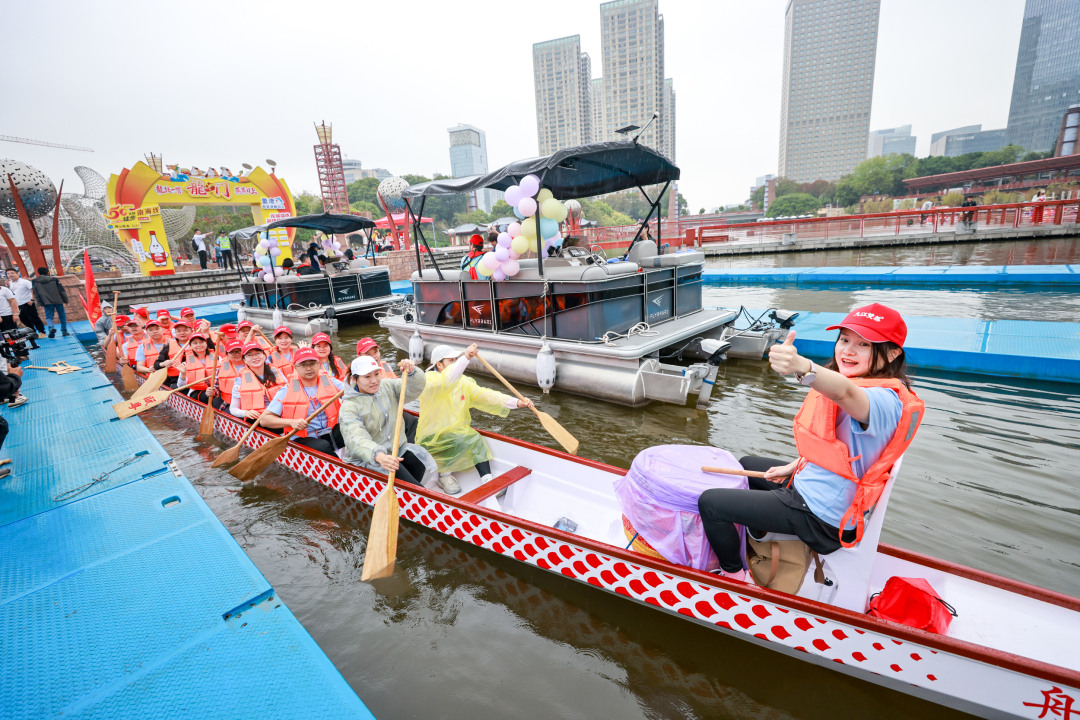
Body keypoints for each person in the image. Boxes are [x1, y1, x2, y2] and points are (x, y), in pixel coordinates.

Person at [697, 303, 924, 582]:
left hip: (822, 516)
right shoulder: (867, 381)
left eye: (864, 344)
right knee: (747, 465)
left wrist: (803, 366)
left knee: (710, 503)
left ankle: (732, 573)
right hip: (820, 488)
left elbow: (844, 393)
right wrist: (793, 467)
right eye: (844, 340)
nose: (848, 351)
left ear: (892, 353)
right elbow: (836, 448)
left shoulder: (882, 401)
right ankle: (753, 538)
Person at [415, 343, 534, 494]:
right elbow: (446, 381)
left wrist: (516, 402)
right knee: (461, 439)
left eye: (455, 360)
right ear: (438, 364)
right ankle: (444, 475)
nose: (454, 363)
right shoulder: (428, 381)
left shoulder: (463, 382)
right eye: (450, 361)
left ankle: (488, 481)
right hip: (432, 437)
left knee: (475, 439)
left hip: (456, 432)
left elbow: (486, 396)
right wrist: (466, 357)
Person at [339, 355, 435, 486]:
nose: (374, 380)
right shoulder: (349, 406)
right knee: (409, 482)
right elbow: (356, 438)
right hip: (369, 458)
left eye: (376, 374)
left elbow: (413, 389)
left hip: (395, 450)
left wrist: (412, 373)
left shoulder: (387, 386)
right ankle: (412, 491)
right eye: (367, 377)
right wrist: (379, 456)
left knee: (417, 459)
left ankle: (404, 492)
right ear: (354, 379)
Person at [260, 348, 346, 454]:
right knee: (323, 446)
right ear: (295, 367)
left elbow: (353, 391)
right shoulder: (286, 390)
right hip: (304, 437)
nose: (309, 368)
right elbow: (264, 420)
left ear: (319, 364)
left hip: (331, 430)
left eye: (312, 363)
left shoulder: (332, 382)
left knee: (352, 430)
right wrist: (291, 422)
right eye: (303, 365)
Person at [356, 337, 419, 443]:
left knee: (412, 421)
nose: (374, 356)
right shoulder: (357, 375)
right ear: (359, 357)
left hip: (389, 410)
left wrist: (410, 374)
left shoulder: (385, 366)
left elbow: (400, 388)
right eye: (368, 354)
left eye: (375, 352)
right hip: (372, 416)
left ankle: (409, 450)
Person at [227, 343, 286, 421]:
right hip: (257, 419)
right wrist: (246, 413)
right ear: (244, 360)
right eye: (249, 355)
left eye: (258, 353)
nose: (255, 357)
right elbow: (233, 409)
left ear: (264, 356)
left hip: (281, 415)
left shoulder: (276, 371)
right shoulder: (239, 381)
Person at [151, 319, 194, 387]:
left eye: (185, 330)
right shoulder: (168, 347)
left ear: (192, 331)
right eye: (178, 331)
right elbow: (156, 365)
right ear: (175, 333)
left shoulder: (199, 345)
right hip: (175, 380)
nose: (182, 333)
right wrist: (164, 363)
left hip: (195, 378)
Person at [176, 332, 216, 402]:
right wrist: (183, 373)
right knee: (208, 396)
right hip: (197, 391)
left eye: (201, 342)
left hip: (216, 390)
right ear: (190, 346)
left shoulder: (217, 358)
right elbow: (180, 386)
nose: (199, 345)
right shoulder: (186, 363)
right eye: (195, 343)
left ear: (206, 343)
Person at [207, 339, 246, 410]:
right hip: (229, 402)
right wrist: (212, 392)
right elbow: (217, 390)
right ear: (227, 354)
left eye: (239, 351)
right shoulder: (220, 370)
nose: (237, 354)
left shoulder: (253, 366)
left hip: (248, 403)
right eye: (232, 352)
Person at [32, 266, 68, 337]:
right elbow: (61, 291)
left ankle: (51, 328)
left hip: (46, 301)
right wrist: (65, 300)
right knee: (62, 316)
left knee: (48, 317)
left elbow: (36, 293)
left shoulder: (35, 281)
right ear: (48, 272)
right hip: (58, 300)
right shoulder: (54, 279)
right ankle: (64, 331)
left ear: (38, 273)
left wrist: (40, 303)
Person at [6, 268, 44, 335]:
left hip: (28, 303)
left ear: (17, 273)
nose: (10, 275)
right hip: (18, 305)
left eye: (12, 273)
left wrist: (32, 299)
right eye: (8, 274)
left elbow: (33, 290)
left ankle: (42, 332)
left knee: (34, 318)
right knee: (24, 320)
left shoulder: (24, 282)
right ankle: (33, 332)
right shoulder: (9, 284)